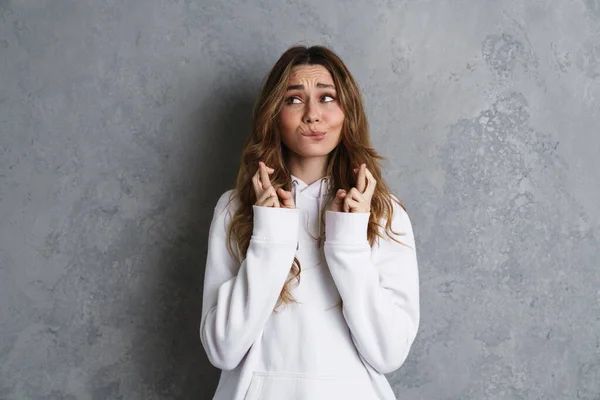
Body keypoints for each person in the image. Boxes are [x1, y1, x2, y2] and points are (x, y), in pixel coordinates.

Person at [200, 44, 420, 400]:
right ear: (274, 114)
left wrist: (348, 240)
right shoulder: (235, 209)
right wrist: (269, 235)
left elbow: (389, 352)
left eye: (328, 97)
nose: (313, 115)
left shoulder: (383, 212)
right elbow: (223, 349)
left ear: (348, 111)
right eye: (294, 100)